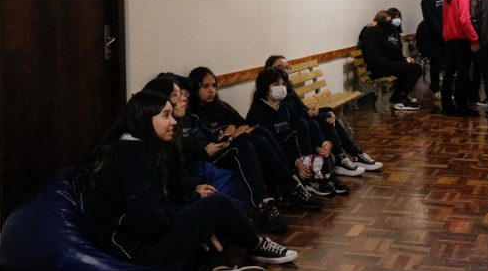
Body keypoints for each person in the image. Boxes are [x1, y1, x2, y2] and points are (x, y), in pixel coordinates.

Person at [83, 91, 297, 271]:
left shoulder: (137, 149)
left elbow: (159, 203)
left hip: (142, 234)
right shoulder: (134, 160)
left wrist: (195, 220)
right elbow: (151, 223)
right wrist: (194, 223)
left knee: (214, 210)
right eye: (166, 115)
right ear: (144, 119)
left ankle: (217, 266)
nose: (174, 121)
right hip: (135, 246)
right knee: (218, 204)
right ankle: (257, 244)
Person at [142, 75, 289, 233]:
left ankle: (285, 187)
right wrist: (204, 153)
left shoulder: (193, 117)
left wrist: (221, 138)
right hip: (201, 163)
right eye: (176, 95)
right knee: (243, 147)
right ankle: (270, 198)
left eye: (184, 94)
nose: (183, 99)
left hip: (212, 153)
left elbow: (225, 128)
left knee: (256, 135)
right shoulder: (166, 130)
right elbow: (178, 168)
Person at [187, 67, 325, 207]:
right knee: (250, 143)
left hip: (230, 143)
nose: (211, 90)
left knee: (261, 133)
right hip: (215, 152)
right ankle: (286, 188)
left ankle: (292, 184)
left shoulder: (221, 106)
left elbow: (243, 123)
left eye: (214, 86)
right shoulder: (191, 114)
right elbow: (200, 143)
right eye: (205, 86)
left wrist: (231, 130)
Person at [265, 55, 383, 173]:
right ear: (268, 69)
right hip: (294, 129)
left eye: (287, 68)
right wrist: (308, 114)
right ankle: (341, 158)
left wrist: (326, 110)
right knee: (325, 119)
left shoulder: (286, 87)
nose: (284, 71)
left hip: (302, 120)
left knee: (328, 115)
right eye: (280, 67)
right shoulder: (272, 92)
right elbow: (288, 119)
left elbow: (302, 108)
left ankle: (355, 154)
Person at [246, 68, 350, 197]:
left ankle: (326, 175)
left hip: (297, 146)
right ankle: (310, 178)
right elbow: (272, 145)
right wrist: (296, 160)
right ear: (264, 86)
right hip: (282, 154)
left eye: (283, 84)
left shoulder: (285, 106)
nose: (281, 87)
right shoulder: (257, 112)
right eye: (276, 84)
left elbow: (305, 127)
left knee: (311, 124)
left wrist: (326, 142)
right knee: (302, 124)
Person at [358, 10, 423, 110]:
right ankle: (401, 98)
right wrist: (403, 60)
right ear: (382, 21)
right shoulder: (377, 31)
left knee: (408, 68)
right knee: (416, 68)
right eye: (389, 20)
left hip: (379, 65)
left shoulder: (373, 31)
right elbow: (390, 51)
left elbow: (389, 52)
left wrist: (403, 60)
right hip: (380, 67)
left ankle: (398, 97)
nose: (391, 23)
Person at [440, 0, 480, 117]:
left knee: (449, 73)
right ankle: (462, 106)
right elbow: (465, 20)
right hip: (462, 39)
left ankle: (447, 105)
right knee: (463, 74)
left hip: (450, 38)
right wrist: (475, 39)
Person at [418, 0, 446, 99]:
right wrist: (441, 33)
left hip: (448, 35)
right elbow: (430, 19)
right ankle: (435, 89)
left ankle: (447, 89)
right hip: (435, 37)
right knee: (436, 63)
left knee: (448, 63)